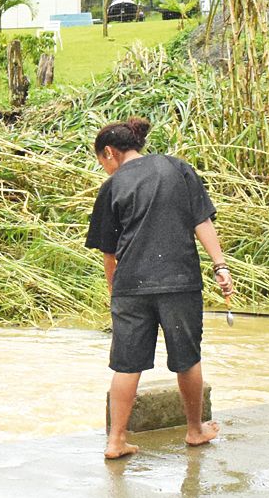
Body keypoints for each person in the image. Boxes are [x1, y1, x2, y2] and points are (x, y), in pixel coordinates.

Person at [85, 117, 236, 460]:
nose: (105, 170)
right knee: (187, 358)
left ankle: (116, 441)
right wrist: (220, 265)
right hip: (178, 281)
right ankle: (195, 430)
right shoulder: (176, 168)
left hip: (130, 287)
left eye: (102, 163)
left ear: (110, 153)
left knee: (126, 365)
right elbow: (201, 220)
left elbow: (110, 253)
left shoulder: (112, 187)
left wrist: (115, 293)